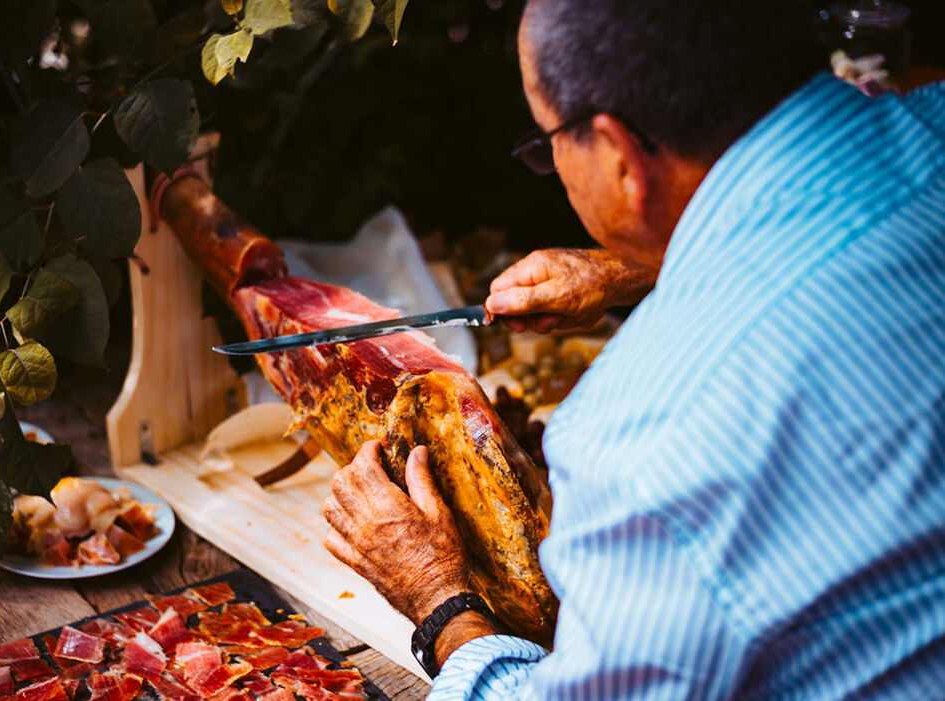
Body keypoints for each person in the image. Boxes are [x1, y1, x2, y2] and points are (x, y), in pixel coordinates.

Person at [321, 0, 945, 697]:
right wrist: (633, 268)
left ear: (618, 155)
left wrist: (439, 600)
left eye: (545, 140)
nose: (549, 163)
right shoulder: (934, 125)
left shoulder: (642, 439)